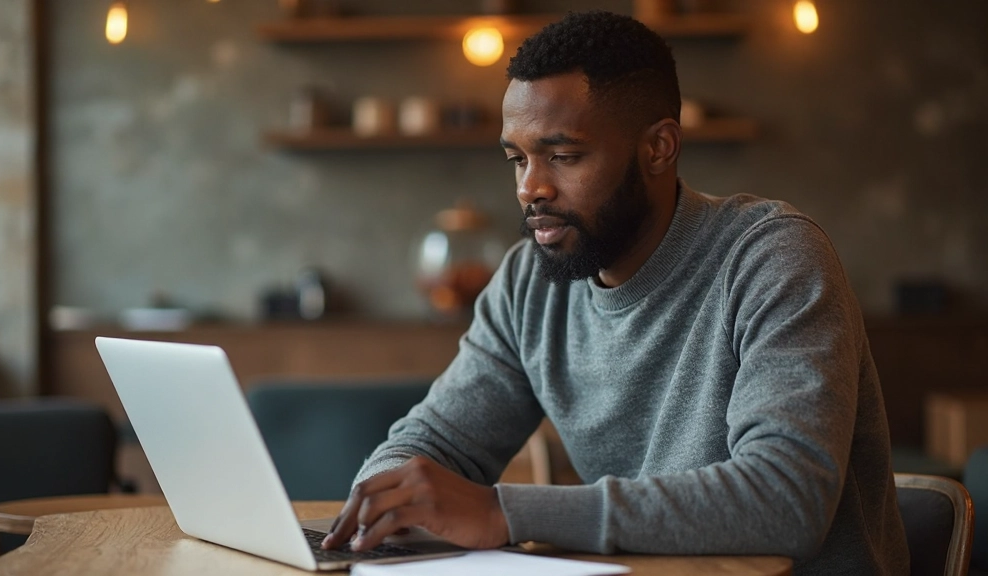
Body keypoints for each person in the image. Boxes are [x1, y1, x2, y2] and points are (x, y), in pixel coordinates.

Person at [322, 10, 908, 575]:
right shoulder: (528, 283)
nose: (531, 188)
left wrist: (503, 512)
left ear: (658, 147)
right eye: (517, 159)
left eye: (564, 156)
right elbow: (433, 442)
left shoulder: (772, 259)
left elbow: (786, 501)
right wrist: (390, 496)